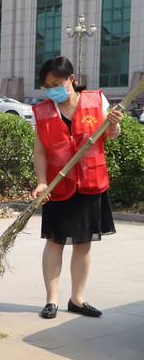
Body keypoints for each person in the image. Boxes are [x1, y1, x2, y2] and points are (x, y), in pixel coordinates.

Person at [32, 56, 123, 319]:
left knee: (84, 243)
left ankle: (78, 300)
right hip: (58, 184)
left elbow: (110, 134)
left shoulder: (97, 101)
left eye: (57, 83)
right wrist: (41, 182)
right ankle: (51, 301)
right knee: (55, 240)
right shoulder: (42, 112)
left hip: (91, 182)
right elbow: (40, 152)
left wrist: (114, 123)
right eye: (48, 86)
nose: (53, 90)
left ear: (72, 79)